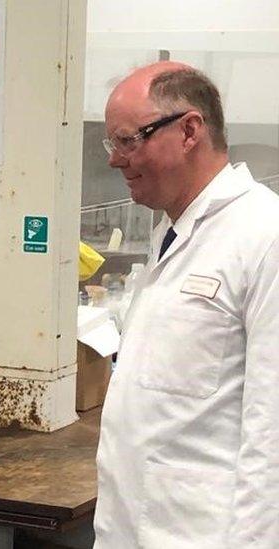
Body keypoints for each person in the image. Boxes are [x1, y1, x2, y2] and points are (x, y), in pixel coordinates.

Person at [94, 62, 279, 547]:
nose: (116, 160)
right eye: (111, 144)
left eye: (128, 141)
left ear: (189, 131)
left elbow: (271, 437)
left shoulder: (264, 236)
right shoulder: (172, 233)